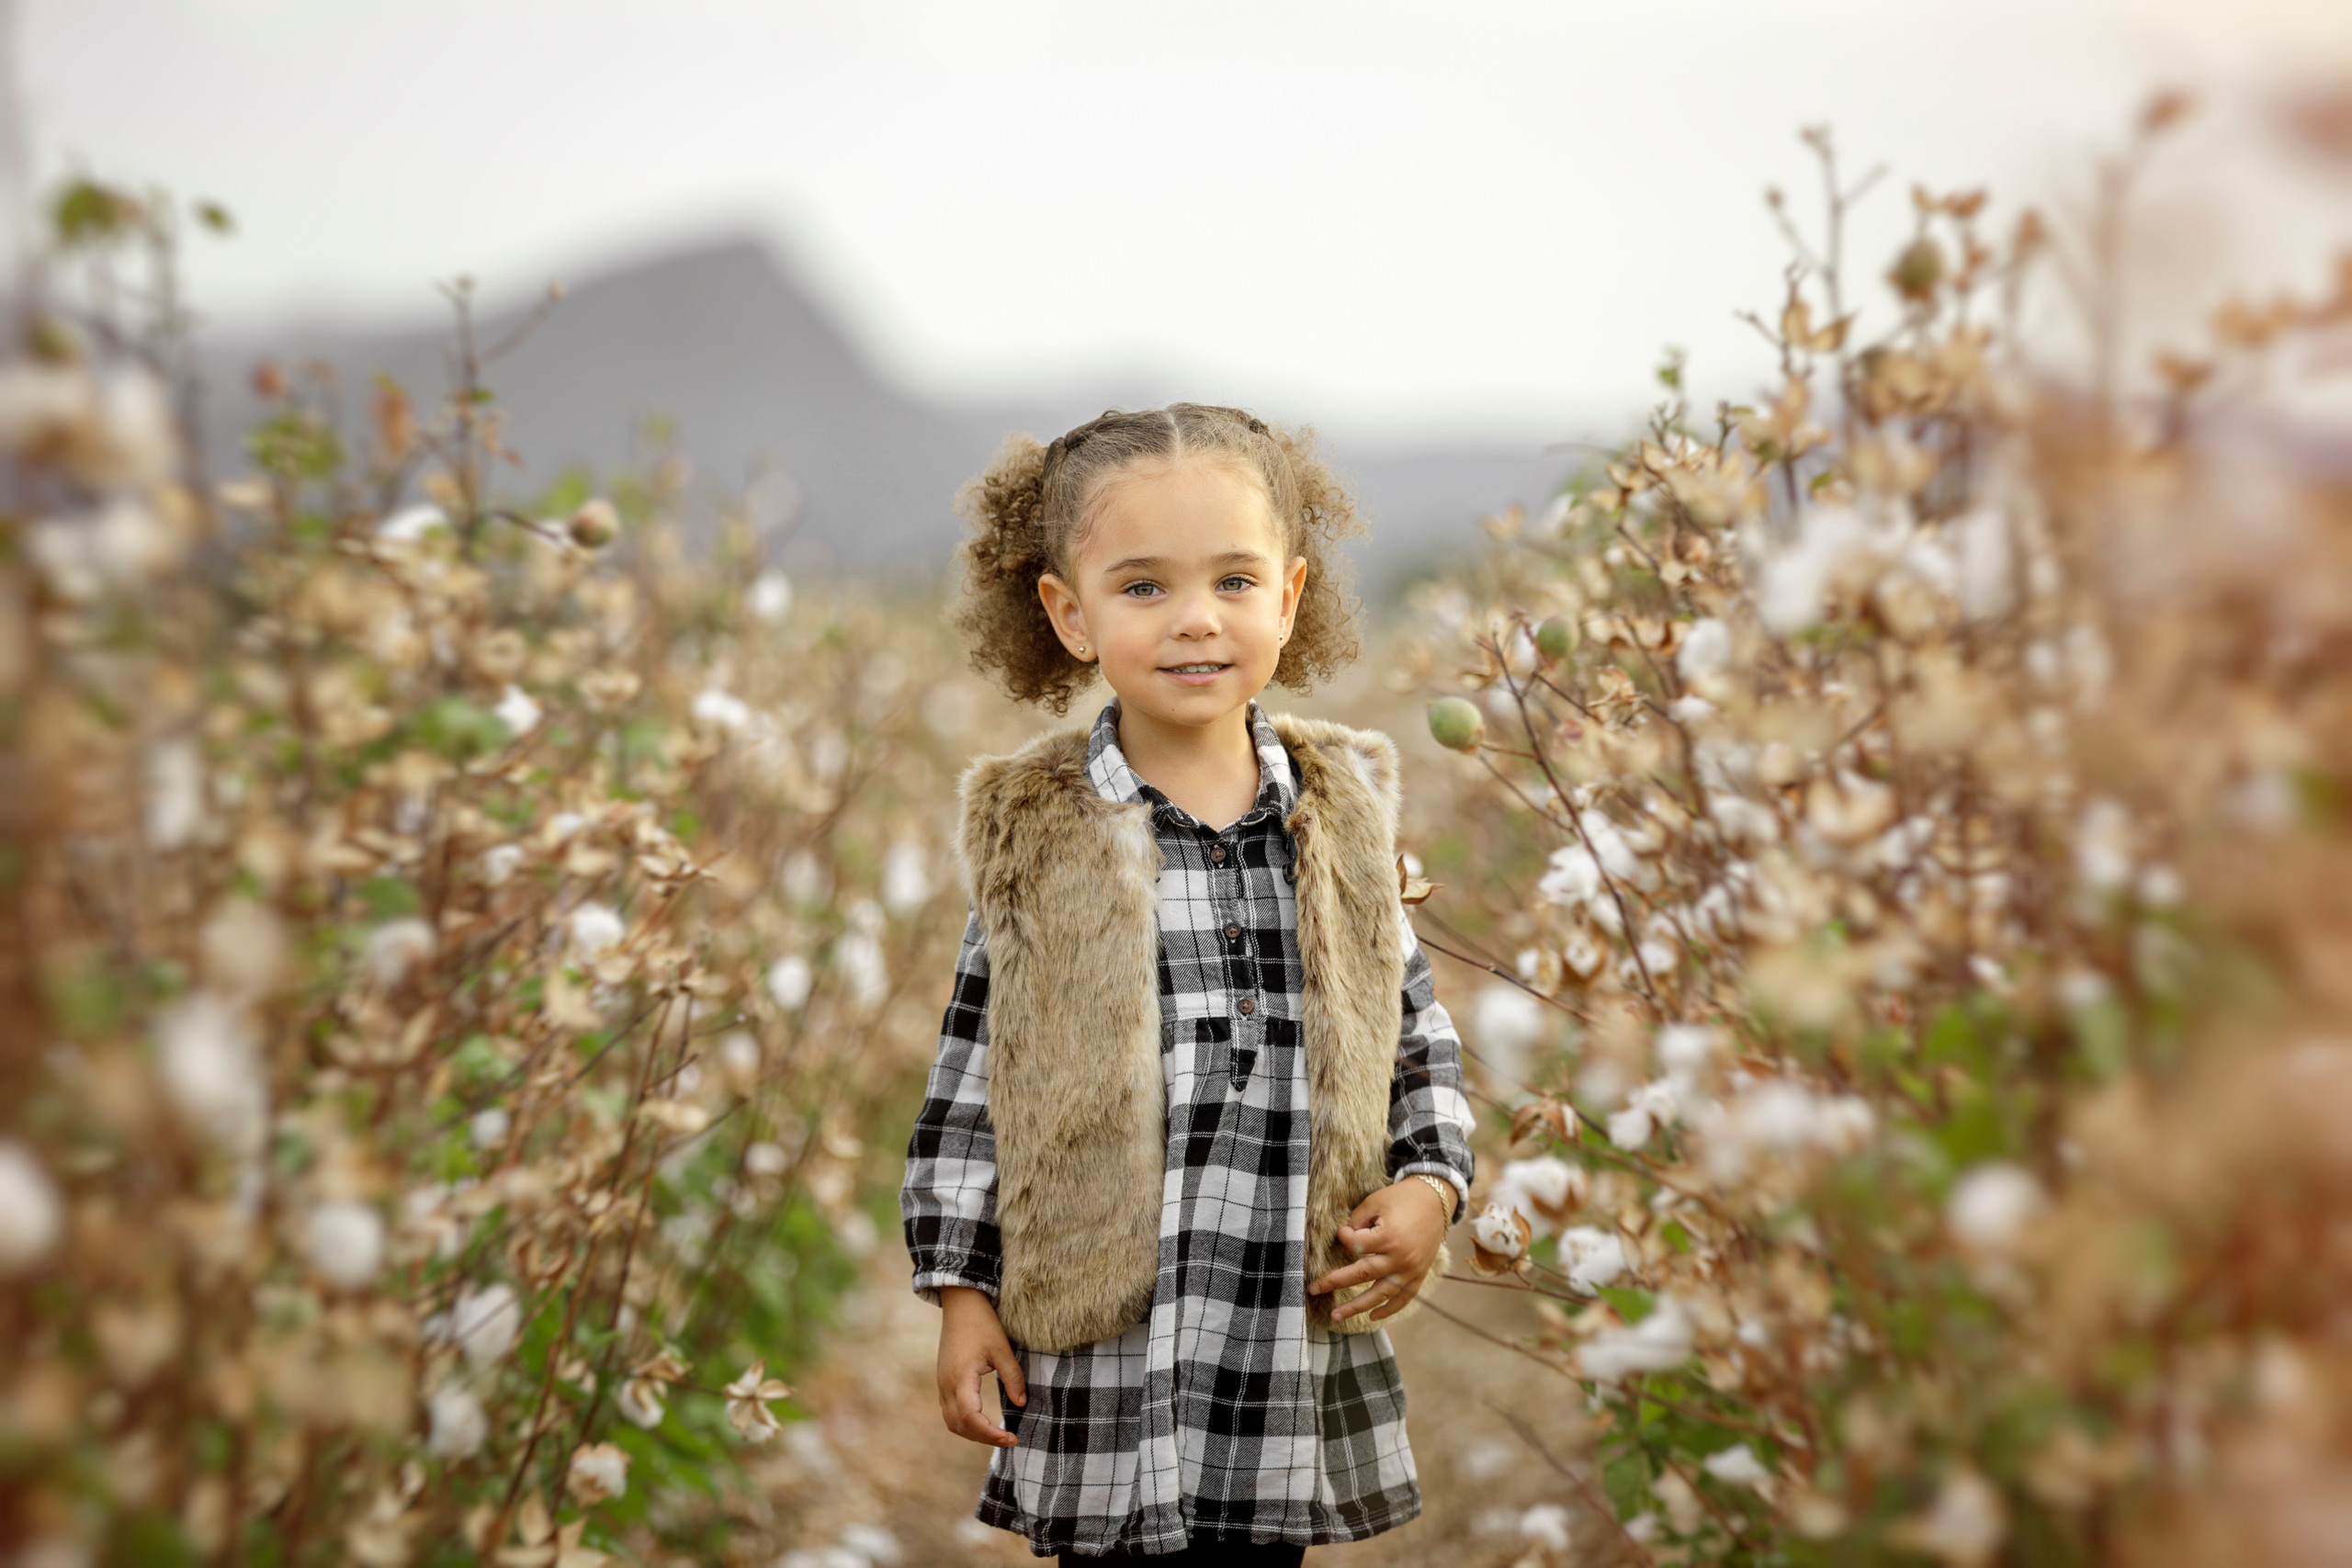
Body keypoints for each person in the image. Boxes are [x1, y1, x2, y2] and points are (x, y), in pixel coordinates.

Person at [899, 404, 1478, 1563]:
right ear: (1069, 612)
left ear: (1290, 597)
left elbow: (1413, 1034)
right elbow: (970, 1089)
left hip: (1282, 1318)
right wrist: (962, 1294)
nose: (1196, 619)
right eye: (1143, 587)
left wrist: (1432, 1186)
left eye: (1234, 580)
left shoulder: (1341, 819)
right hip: (1112, 1337)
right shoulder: (1040, 835)